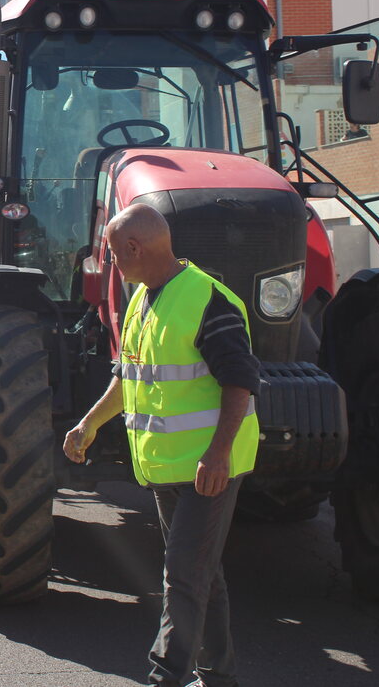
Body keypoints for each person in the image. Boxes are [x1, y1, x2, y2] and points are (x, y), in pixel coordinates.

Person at [62, 204, 259, 687]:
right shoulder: (143, 302)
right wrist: (88, 424)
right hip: (168, 469)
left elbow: (240, 381)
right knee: (203, 577)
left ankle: (164, 677)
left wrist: (218, 454)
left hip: (209, 469)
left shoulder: (207, 300)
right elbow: (127, 379)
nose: (111, 264)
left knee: (183, 575)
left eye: (112, 254)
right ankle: (219, 677)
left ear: (135, 248)